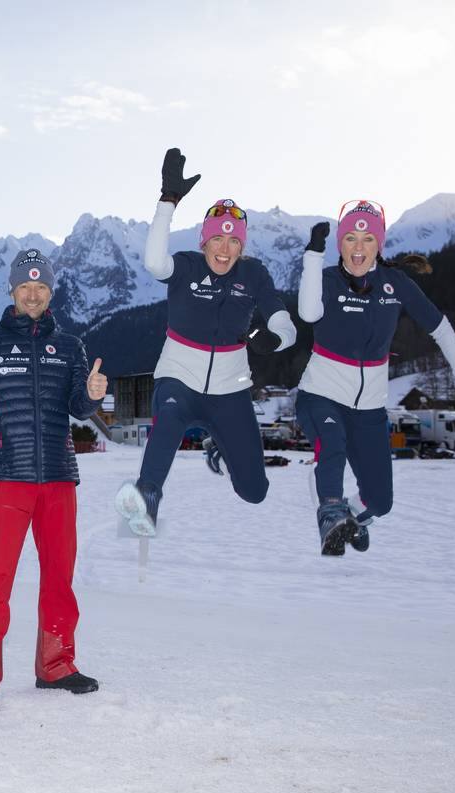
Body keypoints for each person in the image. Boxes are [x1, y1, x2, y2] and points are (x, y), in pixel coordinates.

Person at [0, 249, 107, 712]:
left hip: (59, 477)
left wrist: (92, 396)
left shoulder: (71, 346)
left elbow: (79, 405)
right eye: (24, 287)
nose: (32, 295)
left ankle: (56, 667)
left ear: (50, 292)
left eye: (41, 288)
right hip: (5, 478)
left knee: (60, 578)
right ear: (12, 292)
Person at [115, 148, 297, 538]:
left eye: (233, 243)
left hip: (231, 391)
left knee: (255, 492)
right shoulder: (187, 266)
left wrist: (275, 338)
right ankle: (146, 497)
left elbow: (286, 324)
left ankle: (221, 448)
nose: (224, 249)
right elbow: (153, 263)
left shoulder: (254, 273)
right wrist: (168, 201)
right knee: (167, 422)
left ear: (242, 247)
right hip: (178, 378)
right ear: (204, 241)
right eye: (217, 240)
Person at [295, 202, 455, 555]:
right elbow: (307, 312)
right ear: (340, 244)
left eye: (367, 238)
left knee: (380, 502)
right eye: (350, 238)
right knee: (331, 444)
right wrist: (312, 257)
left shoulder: (396, 284)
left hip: (370, 410)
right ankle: (331, 513)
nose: (359, 247)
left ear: (379, 244)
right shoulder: (328, 279)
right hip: (321, 395)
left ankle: (350, 515)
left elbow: (441, 329)